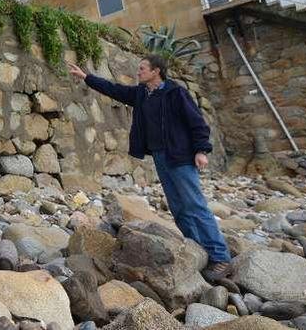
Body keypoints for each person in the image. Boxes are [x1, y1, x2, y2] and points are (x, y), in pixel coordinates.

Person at [67, 54, 232, 282]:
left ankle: (221, 257)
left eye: (143, 68)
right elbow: (113, 89)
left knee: (194, 206)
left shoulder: (176, 93)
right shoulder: (142, 94)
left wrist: (201, 150)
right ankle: (199, 251)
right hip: (161, 157)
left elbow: (197, 123)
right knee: (178, 209)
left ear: (156, 71)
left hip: (181, 157)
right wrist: (87, 77)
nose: (139, 71)